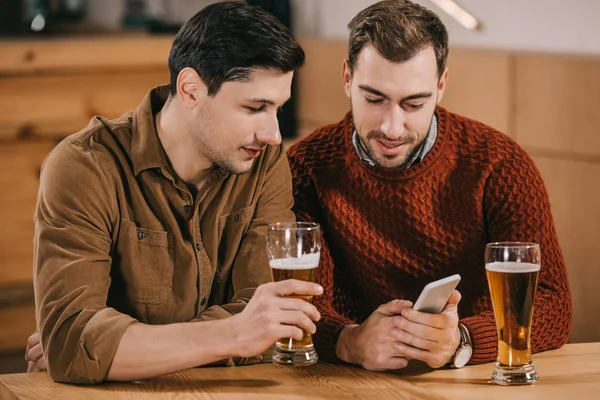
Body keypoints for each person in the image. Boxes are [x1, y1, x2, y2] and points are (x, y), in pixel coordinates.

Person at [26, 1, 323, 384]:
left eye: (278, 109)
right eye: (254, 107)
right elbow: (73, 341)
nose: (273, 135)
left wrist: (119, 350)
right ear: (190, 89)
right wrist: (232, 335)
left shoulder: (264, 164)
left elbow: (271, 324)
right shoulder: (84, 168)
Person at [287, 0, 572, 371]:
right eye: (374, 98)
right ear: (347, 78)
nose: (392, 127)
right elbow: (299, 304)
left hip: (474, 382)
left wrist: (463, 341)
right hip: (347, 382)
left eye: (413, 104)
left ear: (440, 86)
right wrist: (348, 341)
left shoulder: (499, 164)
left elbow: (552, 304)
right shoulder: (307, 167)